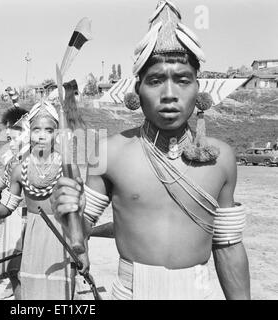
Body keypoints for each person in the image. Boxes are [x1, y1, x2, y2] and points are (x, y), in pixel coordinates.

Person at [51, 0, 250, 300]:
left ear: (200, 90)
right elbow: (80, 233)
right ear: (137, 91)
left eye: (182, 80)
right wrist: (67, 212)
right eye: (156, 80)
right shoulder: (110, 153)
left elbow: (229, 245)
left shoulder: (220, 159)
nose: (169, 94)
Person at [0, 100, 75, 300]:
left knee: (60, 294)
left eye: (48, 130)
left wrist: (81, 250)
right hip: (33, 238)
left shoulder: (68, 167)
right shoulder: (19, 170)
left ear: (57, 133)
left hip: (62, 238)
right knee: (33, 293)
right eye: (36, 129)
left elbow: (79, 214)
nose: (42, 135)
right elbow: (6, 208)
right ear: (30, 133)